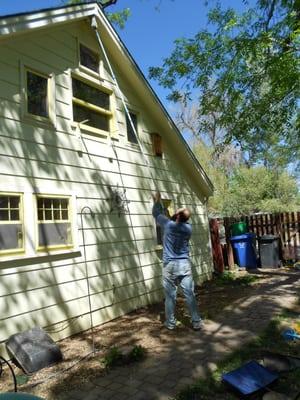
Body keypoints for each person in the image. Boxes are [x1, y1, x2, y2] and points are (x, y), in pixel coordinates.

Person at [152, 191, 203, 330]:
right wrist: (171, 212)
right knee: (189, 294)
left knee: (170, 296)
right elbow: (173, 218)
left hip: (170, 265)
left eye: (177, 211)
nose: (175, 212)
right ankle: (196, 322)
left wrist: (157, 200)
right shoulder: (188, 228)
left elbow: (156, 213)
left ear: (178, 216)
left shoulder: (168, 225)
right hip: (184, 264)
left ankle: (171, 323)